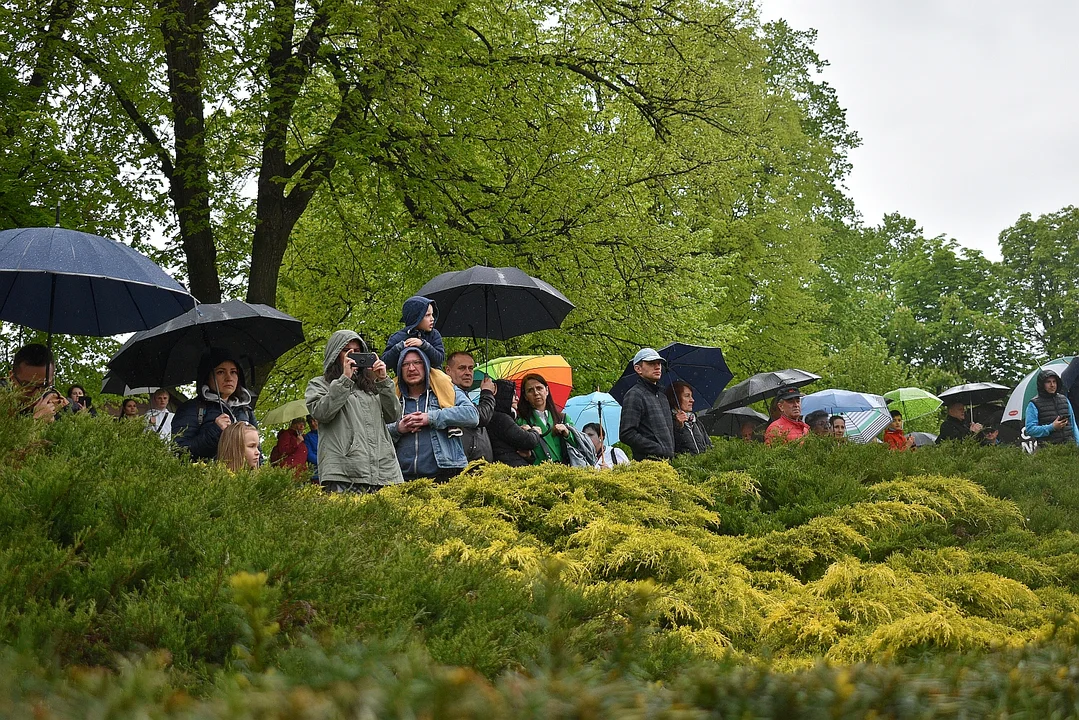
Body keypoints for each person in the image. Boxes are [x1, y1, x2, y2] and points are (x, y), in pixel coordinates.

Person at [306, 331, 403, 493]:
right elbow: (321, 413)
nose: (352, 355)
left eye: (357, 351)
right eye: (346, 350)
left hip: (383, 472)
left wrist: (383, 380)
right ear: (335, 354)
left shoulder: (371, 385)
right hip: (343, 473)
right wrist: (345, 379)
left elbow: (393, 415)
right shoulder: (320, 384)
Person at [389, 348, 478, 481]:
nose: (411, 368)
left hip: (445, 475)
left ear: (426, 365)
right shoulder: (391, 396)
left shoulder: (446, 388)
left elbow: (472, 415)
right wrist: (398, 428)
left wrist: (430, 418)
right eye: (405, 364)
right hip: (400, 478)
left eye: (417, 362)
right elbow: (374, 431)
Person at [172, 349, 258, 462]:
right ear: (207, 376)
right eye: (220, 372)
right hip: (207, 477)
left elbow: (257, 452)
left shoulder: (246, 410)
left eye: (233, 372)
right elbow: (180, 452)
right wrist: (216, 430)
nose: (229, 378)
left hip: (243, 479)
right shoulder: (192, 409)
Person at [618, 348, 675, 461]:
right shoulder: (634, 395)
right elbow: (627, 433)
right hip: (647, 465)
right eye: (651, 363)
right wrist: (658, 449)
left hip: (668, 465)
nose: (657, 367)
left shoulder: (662, 396)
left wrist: (679, 425)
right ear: (638, 368)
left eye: (659, 363)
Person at [446, 351, 495, 462]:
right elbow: (481, 417)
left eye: (471, 368)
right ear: (448, 370)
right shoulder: (448, 395)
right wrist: (487, 393)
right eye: (462, 368)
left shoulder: (464, 395)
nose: (468, 373)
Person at [517, 373, 576, 465]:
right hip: (539, 474)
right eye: (530, 390)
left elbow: (578, 444)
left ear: (547, 390)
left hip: (566, 471)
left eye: (539, 388)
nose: (536, 393)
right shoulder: (522, 422)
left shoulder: (563, 418)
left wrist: (567, 434)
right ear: (525, 397)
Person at [381, 295, 445, 370]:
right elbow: (385, 363)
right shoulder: (397, 337)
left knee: (445, 380)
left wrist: (424, 345)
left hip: (433, 377)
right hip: (404, 378)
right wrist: (399, 348)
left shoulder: (434, 335)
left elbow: (439, 360)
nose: (432, 319)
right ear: (416, 317)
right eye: (427, 315)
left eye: (432, 314)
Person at [488, 379, 541, 466]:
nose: (517, 398)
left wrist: (529, 456)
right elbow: (528, 441)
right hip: (510, 468)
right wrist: (535, 432)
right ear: (504, 396)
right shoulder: (501, 418)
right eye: (513, 395)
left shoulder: (501, 416)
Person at [3, 343, 63, 420]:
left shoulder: (58, 404)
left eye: (44, 385)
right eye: (28, 385)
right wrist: (36, 421)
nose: (36, 394)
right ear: (11, 378)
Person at [1024, 368, 1079, 445]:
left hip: (1069, 447)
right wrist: (1052, 427)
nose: (1052, 385)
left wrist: (1077, 444)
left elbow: (1073, 424)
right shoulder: (1034, 404)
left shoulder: (1064, 399)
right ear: (1042, 384)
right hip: (1048, 450)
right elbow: (1030, 430)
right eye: (1048, 382)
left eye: (1054, 381)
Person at [668, 381, 712, 455]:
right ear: (675, 398)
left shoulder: (694, 420)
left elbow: (708, 445)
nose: (692, 400)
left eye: (691, 396)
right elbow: (672, 448)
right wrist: (678, 427)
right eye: (687, 396)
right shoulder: (668, 420)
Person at [304, 415, 319, 482]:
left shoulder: (327, 434)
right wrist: (321, 462)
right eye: (310, 422)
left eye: (314, 420)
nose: (313, 423)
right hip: (316, 471)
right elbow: (309, 454)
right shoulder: (308, 437)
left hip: (331, 468)